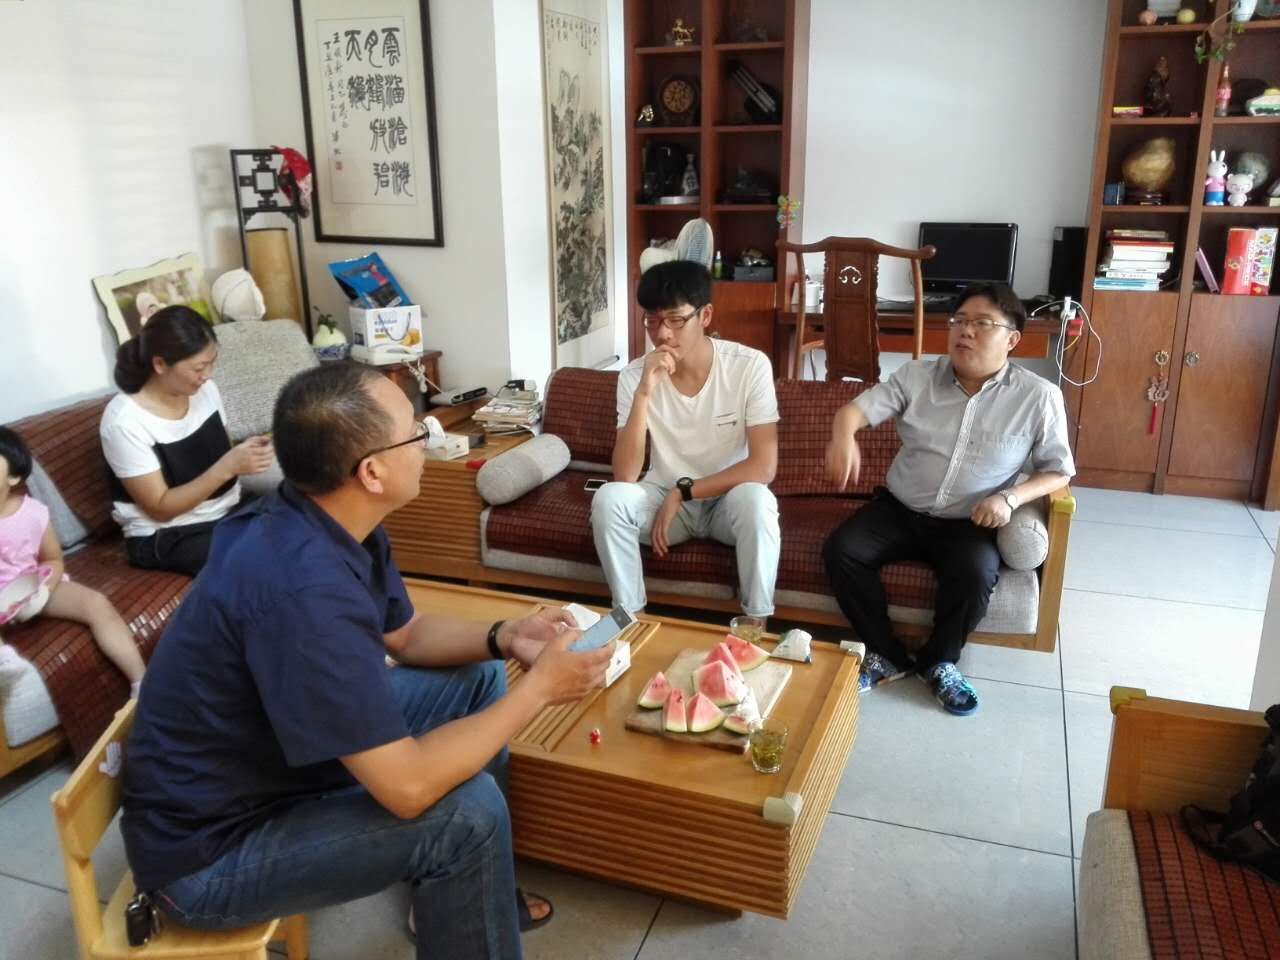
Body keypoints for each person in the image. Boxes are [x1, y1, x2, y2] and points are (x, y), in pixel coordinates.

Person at [121, 362, 612, 959]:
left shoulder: (325, 516)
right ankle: (456, 864)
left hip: (273, 763)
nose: (428, 438)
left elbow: (406, 635)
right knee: (469, 816)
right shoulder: (302, 593)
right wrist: (538, 690)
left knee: (477, 675)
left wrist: (506, 635)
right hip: (211, 854)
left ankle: (459, 893)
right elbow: (407, 788)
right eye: (416, 431)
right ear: (371, 471)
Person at [822, 283, 1074, 716]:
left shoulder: (1038, 397)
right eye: (959, 321)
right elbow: (854, 411)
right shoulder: (916, 376)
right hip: (900, 509)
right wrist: (844, 434)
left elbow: (1059, 470)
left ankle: (939, 662)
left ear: (1012, 339)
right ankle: (886, 654)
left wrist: (1009, 498)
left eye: (982, 324)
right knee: (842, 550)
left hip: (969, 521)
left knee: (975, 575)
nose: (965, 331)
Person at [591, 259, 780, 618]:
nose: (662, 333)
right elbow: (625, 475)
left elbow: (763, 467)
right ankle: (630, 621)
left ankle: (755, 624)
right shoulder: (634, 376)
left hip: (726, 501)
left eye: (675, 320)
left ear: (705, 315)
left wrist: (684, 491)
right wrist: (644, 394)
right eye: (652, 320)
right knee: (609, 499)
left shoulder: (749, 366)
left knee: (758, 500)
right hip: (663, 504)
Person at [100, 305, 273, 576]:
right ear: (160, 364)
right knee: (260, 559)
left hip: (226, 509)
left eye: (212, 362)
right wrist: (228, 466)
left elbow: (223, 451)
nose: (208, 375)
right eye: (199, 368)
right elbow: (160, 509)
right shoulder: (124, 422)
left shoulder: (206, 391)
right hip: (169, 533)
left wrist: (248, 454)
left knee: (305, 518)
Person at [0, 428, 145, 694]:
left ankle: (141, 683)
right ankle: (5, 662)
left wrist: (43, 591)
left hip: (30, 586)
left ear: (14, 476)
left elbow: (53, 560)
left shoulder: (33, 513)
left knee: (96, 603)